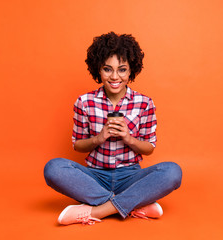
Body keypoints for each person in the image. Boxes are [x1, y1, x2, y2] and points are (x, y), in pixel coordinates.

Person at [43, 32, 182, 225]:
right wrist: (98, 138)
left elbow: (150, 147)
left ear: (131, 70)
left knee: (173, 172)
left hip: (131, 175)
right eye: (108, 69)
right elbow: (77, 145)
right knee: (53, 168)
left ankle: (98, 211)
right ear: (98, 70)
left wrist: (129, 139)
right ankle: (133, 204)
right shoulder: (85, 102)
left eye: (122, 70)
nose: (115, 76)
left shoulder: (144, 103)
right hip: (94, 176)